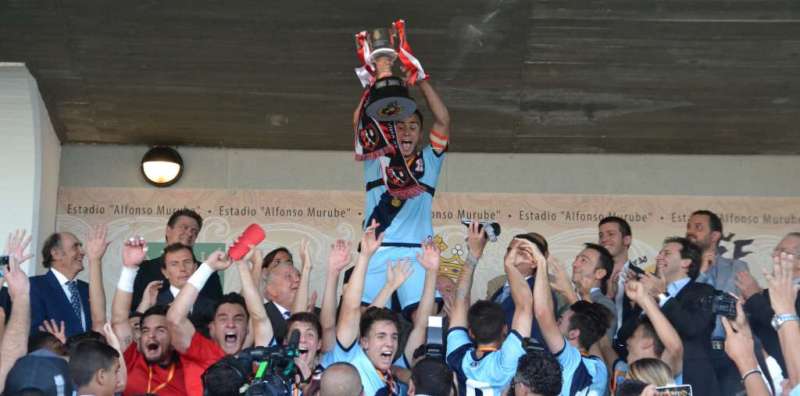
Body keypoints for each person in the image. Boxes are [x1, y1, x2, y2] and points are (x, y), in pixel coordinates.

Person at [355, 51, 451, 317]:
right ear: (390, 131)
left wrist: (421, 81)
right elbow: (358, 123)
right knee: (364, 318)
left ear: (420, 134)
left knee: (427, 317)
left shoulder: (430, 161)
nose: (406, 131)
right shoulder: (376, 156)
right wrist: (373, 86)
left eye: (413, 126)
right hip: (377, 249)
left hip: (417, 253)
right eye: (399, 126)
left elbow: (443, 120)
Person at [167, 246, 274, 395]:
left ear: (247, 330)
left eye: (238, 319)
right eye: (223, 318)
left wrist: (244, 266)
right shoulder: (200, 352)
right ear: (212, 327)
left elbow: (259, 317)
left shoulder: (257, 363)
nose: (231, 324)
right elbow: (174, 321)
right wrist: (208, 267)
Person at [446, 222, 532, 395]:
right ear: (505, 329)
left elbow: (460, 299)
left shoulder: (457, 356)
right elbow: (525, 307)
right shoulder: (506, 362)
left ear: (470, 332)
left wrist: (473, 255)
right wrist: (510, 264)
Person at [633, 237, 720, 396]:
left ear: (686, 262)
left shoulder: (703, 291)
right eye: (659, 253)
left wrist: (662, 295)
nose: (659, 257)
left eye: (666, 253)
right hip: (648, 379)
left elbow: (692, 327)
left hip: (689, 379)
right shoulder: (646, 293)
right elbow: (626, 335)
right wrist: (645, 300)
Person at [533, 242, 610, 395]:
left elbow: (542, 313)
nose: (555, 324)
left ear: (574, 334)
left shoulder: (569, 359)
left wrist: (541, 264)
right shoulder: (599, 366)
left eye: (560, 321)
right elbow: (591, 332)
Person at [687, 209, 750, 394]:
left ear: (715, 236)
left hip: (729, 352)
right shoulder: (682, 269)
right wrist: (701, 273)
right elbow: (684, 304)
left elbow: (746, 306)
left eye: (698, 227)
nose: (690, 232)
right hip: (694, 353)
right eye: (689, 227)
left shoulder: (737, 267)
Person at [132, 209, 222, 310]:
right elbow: (132, 312)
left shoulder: (208, 273)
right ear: (168, 230)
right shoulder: (145, 269)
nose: (189, 233)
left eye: (194, 231)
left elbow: (217, 312)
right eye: (184, 228)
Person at [739, 232, 800, 376]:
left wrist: (753, 297)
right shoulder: (765, 293)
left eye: (783, 251)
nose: (774, 255)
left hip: (790, 375)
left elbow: (788, 328)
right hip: (760, 372)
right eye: (775, 250)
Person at [489, 232, 553, 346]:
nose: (511, 255)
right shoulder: (500, 290)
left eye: (520, 252)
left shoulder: (540, 294)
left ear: (534, 262)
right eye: (509, 250)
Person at [598, 216, 647, 337]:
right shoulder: (595, 277)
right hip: (599, 343)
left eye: (610, 234)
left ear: (626, 240)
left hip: (631, 343)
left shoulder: (643, 278)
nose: (604, 239)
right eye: (601, 235)